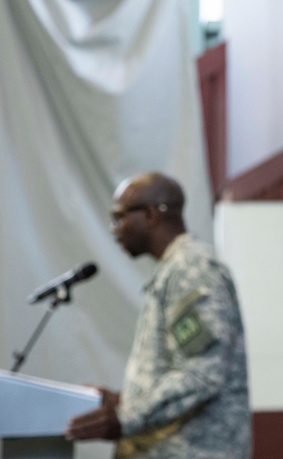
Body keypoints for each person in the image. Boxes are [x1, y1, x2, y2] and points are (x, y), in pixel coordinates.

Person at [66, 172, 251, 458]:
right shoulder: (174, 270)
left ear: (151, 215)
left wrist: (125, 418)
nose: (114, 228)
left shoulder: (193, 269)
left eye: (119, 217)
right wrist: (121, 402)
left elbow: (200, 374)